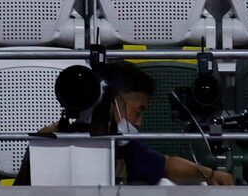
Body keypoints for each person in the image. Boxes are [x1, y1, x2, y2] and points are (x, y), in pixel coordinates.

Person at [100, 60, 239, 186]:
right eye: (137, 112)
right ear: (112, 104)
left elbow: (167, 165)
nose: (139, 123)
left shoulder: (128, 148)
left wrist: (211, 175)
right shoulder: (80, 146)